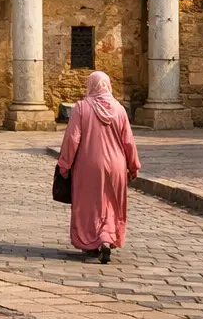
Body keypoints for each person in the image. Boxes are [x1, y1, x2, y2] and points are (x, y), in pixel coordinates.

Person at [55, 71, 141, 264]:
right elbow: (128, 141)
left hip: (89, 165)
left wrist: (65, 163)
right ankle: (107, 237)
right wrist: (133, 165)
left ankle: (92, 243)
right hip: (117, 166)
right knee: (111, 203)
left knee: (89, 204)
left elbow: (72, 139)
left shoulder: (82, 108)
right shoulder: (119, 110)